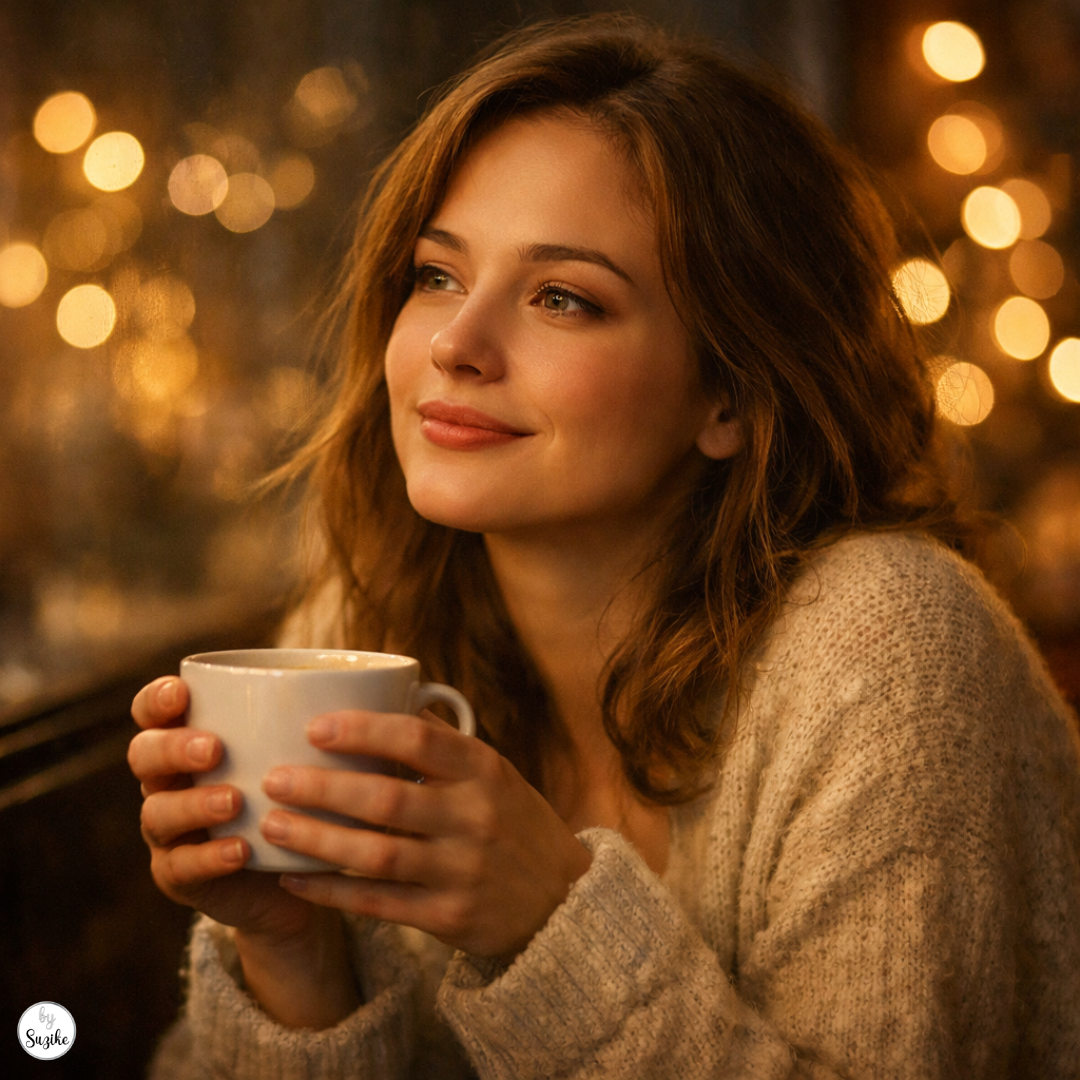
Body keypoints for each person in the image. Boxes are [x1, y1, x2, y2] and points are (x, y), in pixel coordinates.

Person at [128, 13, 1080, 1078]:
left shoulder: (890, 657)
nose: (455, 342)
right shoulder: (359, 633)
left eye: (563, 298)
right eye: (437, 276)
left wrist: (549, 932)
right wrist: (291, 953)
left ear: (729, 393)